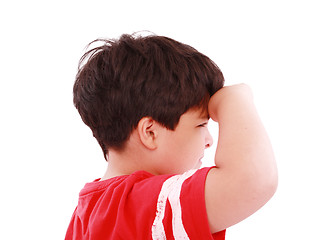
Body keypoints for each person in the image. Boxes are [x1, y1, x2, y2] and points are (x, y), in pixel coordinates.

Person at [65, 33, 278, 240]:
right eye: (201, 124)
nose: (209, 140)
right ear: (150, 132)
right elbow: (253, 180)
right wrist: (235, 100)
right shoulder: (141, 204)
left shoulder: (85, 215)